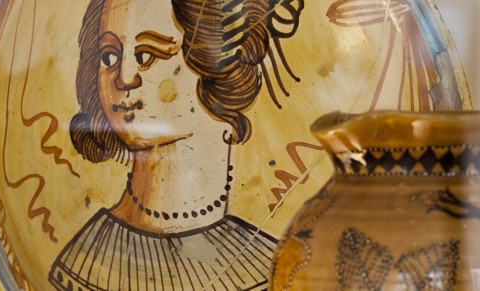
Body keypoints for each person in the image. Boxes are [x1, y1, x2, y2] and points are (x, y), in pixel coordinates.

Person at [49, 0, 300, 290]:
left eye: (147, 54)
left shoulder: (273, 264)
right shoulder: (85, 262)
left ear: (216, 58)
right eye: (109, 58)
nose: (124, 78)